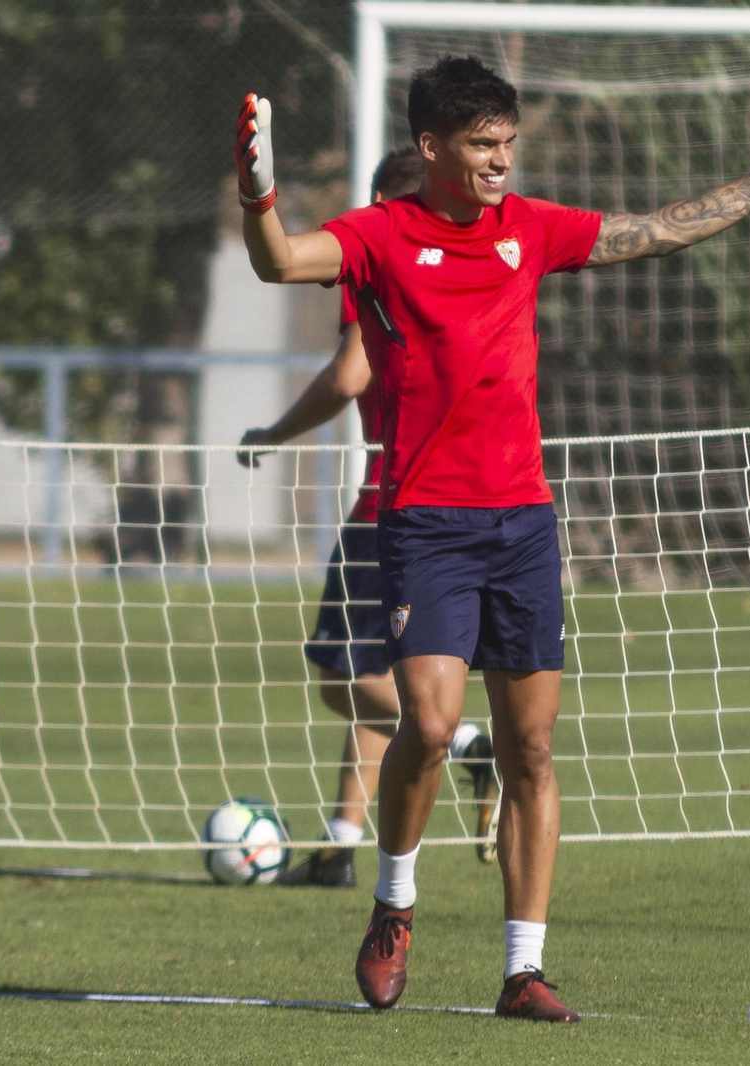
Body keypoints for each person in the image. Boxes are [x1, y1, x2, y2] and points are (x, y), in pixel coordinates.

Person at [232, 56, 750, 1021]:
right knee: (433, 724)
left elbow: (654, 232)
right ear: (432, 147)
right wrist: (258, 194)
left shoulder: (528, 229)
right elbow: (279, 260)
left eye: (508, 142)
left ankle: (521, 971)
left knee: (531, 747)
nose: (500, 160)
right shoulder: (379, 237)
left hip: (524, 524)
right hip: (423, 523)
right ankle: (394, 904)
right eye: (482, 144)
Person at [236, 147, 498, 889]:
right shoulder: (469, 268)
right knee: (375, 673)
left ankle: (473, 745)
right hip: (455, 503)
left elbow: (352, 371)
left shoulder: (384, 256)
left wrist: (275, 434)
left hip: (390, 503)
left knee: (336, 672)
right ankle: (339, 846)